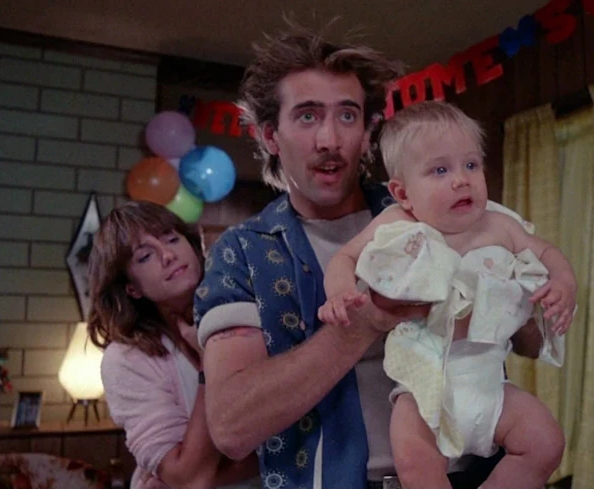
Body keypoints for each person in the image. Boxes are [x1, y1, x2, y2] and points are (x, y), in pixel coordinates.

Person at [193, 20, 566, 489]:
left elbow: (529, 341)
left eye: (347, 116)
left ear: (368, 131)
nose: (330, 139)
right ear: (270, 136)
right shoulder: (243, 254)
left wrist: (516, 292)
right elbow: (231, 428)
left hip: (477, 470)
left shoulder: (433, 206)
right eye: (307, 116)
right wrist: (364, 322)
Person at [318, 101, 572, 489]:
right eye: (440, 170)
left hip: (489, 384)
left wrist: (563, 283)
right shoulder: (398, 225)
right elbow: (346, 257)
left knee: (546, 443)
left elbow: (548, 252)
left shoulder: (499, 225)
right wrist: (340, 293)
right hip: (425, 388)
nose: (461, 180)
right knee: (414, 461)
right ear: (403, 193)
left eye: (470, 165)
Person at [88, 201, 260, 489]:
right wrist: (208, 364)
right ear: (132, 288)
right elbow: (188, 476)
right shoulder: (127, 360)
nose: (168, 255)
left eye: (172, 239)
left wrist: (193, 478)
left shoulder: (248, 310)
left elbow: (292, 439)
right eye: (145, 256)